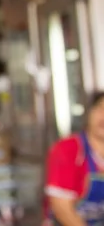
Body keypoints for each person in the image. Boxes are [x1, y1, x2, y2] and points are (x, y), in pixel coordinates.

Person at [45, 92, 104, 225]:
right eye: (99, 108)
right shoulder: (68, 149)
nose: (103, 116)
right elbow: (62, 209)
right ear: (89, 113)